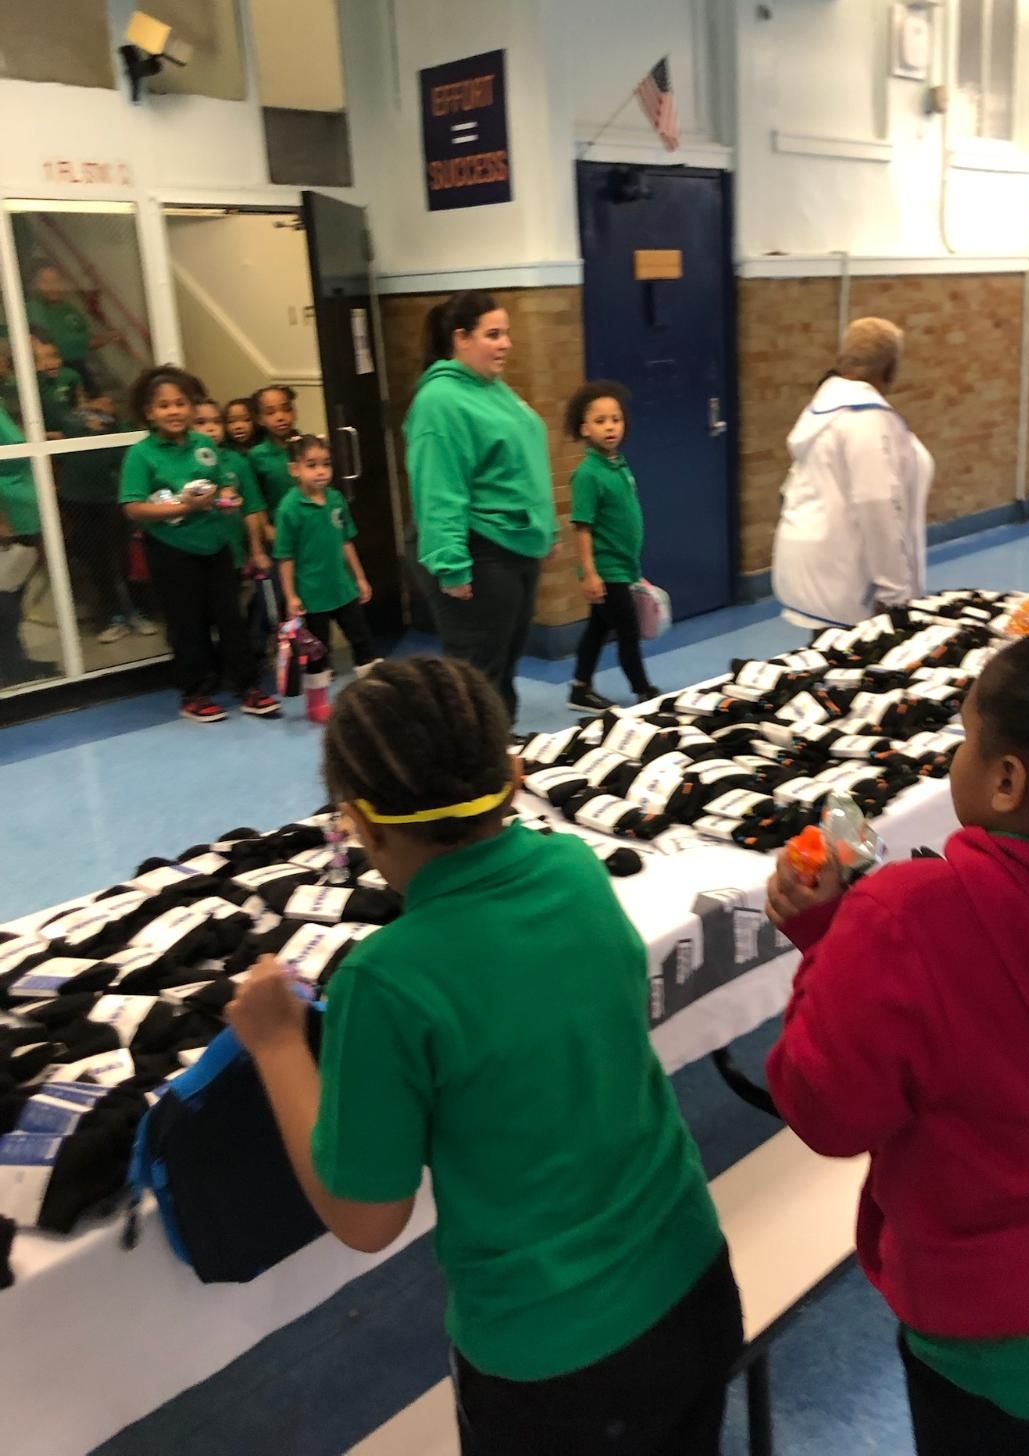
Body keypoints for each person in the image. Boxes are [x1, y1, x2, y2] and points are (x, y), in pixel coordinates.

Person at [227, 656, 743, 1455]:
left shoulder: (388, 981)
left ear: (358, 824)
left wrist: (274, 1043)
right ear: (512, 775)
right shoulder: (575, 870)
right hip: (692, 1281)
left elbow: (366, 1218)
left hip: (555, 1364)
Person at [763, 592, 1029, 1456]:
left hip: (1006, 1349)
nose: (960, 757)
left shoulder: (908, 916)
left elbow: (825, 1108)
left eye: (967, 739)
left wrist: (830, 940)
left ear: (1008, 780)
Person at [405, 292, 556, 722]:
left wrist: (547, 528)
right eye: (493, 335)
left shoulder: (493, 389)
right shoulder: (441, 400)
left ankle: (497, 750)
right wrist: (451, 564)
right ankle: (470, 763)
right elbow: (439, 489)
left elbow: (524, 462)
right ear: (461, 339)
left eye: (506, 333)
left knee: (504, 662)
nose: (505, 344)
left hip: (514, 545)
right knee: (476, 672)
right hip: (474, 545)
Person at [119, 366, 279, 725]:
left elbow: (222, 487)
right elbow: (132, 506)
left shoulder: (206, 445)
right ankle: (195, 694)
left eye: (180, 403)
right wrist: (181, 507)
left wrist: (226, 500)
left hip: (216, 546)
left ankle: (248, 687)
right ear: (149, 412)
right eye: (163, 405)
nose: (174, 411)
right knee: (187, 623)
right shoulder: (141, 454)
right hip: (171, 551)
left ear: (192, 408)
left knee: (232, 619)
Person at [771, 318, 933, 629]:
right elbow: (878, 504)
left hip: (805, 557)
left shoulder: (823, 409)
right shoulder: (867, 419)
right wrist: (895, 591)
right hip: (844, 575)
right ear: (890, 368)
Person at [564, 381, 659, 713]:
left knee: (598, 627)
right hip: (607, 570)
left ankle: (580, 687)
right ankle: (644, 690)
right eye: (601, 420)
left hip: (623, 565)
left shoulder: (618, 464)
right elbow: (582, 527)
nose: (610, 427)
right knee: (627, 631)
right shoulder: (588, 474)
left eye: (615, 419)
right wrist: (589, 573)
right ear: (584, 428)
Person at [274, 434, 373, 725]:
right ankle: (317, 704)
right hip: (311, 596)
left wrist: (360, 577)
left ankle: (373, 696)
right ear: (295, 470)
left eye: (326, 464)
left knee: (362, 640)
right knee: (318, 652)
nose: (320, 471)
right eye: (311, 465)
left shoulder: (336, 499)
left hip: (343, 589)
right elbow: (285, 556)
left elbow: (346, 542)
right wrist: (291, 595)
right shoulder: (289, 508)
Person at [56, 382, 157, 646]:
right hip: (79, 501)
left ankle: (138, 612)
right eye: (100, 401)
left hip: (115, 500)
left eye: (110, 402)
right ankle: (110, 617)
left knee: (127, 558)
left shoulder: (122, 428)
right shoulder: (70, 423)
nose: (106, 407)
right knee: (96, 561)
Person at [0, 401, 55, 686]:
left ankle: (13, 660)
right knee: (4, 602)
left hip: (23, 515)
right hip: (7, 517)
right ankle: (8, 666)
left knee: (12, 597)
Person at [192, 397, 271, 582]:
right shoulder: (184, 463)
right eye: (201, 422)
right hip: (196, 551)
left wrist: (256, 550)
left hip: (234, 552)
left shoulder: (238, 462)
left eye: (217, 422)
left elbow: (252, 508)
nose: (210, 429)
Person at [24, 262, 116, 389]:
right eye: (45, 281)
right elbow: (55, 343)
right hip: (52, 373)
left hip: (80, 367)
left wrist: (110, 337)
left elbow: (86, 337)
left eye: (56, 280)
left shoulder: (69, 309)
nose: (52, 286)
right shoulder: (34, 309)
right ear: (35, 284)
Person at [248, 385, 299, 531]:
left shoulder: (306, 446)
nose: (281, 417)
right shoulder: (256, 455)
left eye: (287, 409)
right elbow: (255, 499)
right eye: (270, 412)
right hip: (279, 528)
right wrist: (266, 528)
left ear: (294, 412)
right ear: (260, 419)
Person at [30, 328, 82, 436]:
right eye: (39, 359)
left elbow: (79, 407)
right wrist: (47, 435)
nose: (51, 363)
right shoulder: (23, 388)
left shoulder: (69, 377)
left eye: (54, 356)